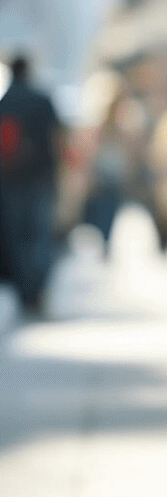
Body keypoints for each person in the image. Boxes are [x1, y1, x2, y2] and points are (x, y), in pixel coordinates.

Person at [0, 55, 61, 312]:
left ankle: (25, 291)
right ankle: (37, 289)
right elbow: (57, 140)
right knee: (39, 235)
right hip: (40, 177)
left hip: (9, 179)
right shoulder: (42, 100)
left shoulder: (4, 102)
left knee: (16, 236)